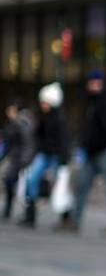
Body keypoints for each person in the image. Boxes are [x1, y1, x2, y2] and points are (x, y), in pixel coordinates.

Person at [71, 69, 106, 235]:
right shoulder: (88, 101)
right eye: (91, 83)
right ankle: (75, 220)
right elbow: (85, 126)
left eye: (97, 83)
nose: (94, 86)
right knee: (81, 185)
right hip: (90, 151)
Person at [21, 82, 69, 228]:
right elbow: (37, 135)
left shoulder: (59, 119)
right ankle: (30, 215)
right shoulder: (42, 117)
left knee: (59, 187)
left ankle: (66, 216)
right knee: (31, 180)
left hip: (55, 156)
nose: (43, 105)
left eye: (45, 102)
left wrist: (63, 159)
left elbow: (63, 140)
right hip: (44, 154)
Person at [1, 99, 34, 220]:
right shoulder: (16, 123)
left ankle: (28, 215)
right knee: (10, 181)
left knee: (25, 187)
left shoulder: (22, 123)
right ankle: (9, 210)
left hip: (21, 158)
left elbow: (27, 143)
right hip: (16, 157)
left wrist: (25, 160)